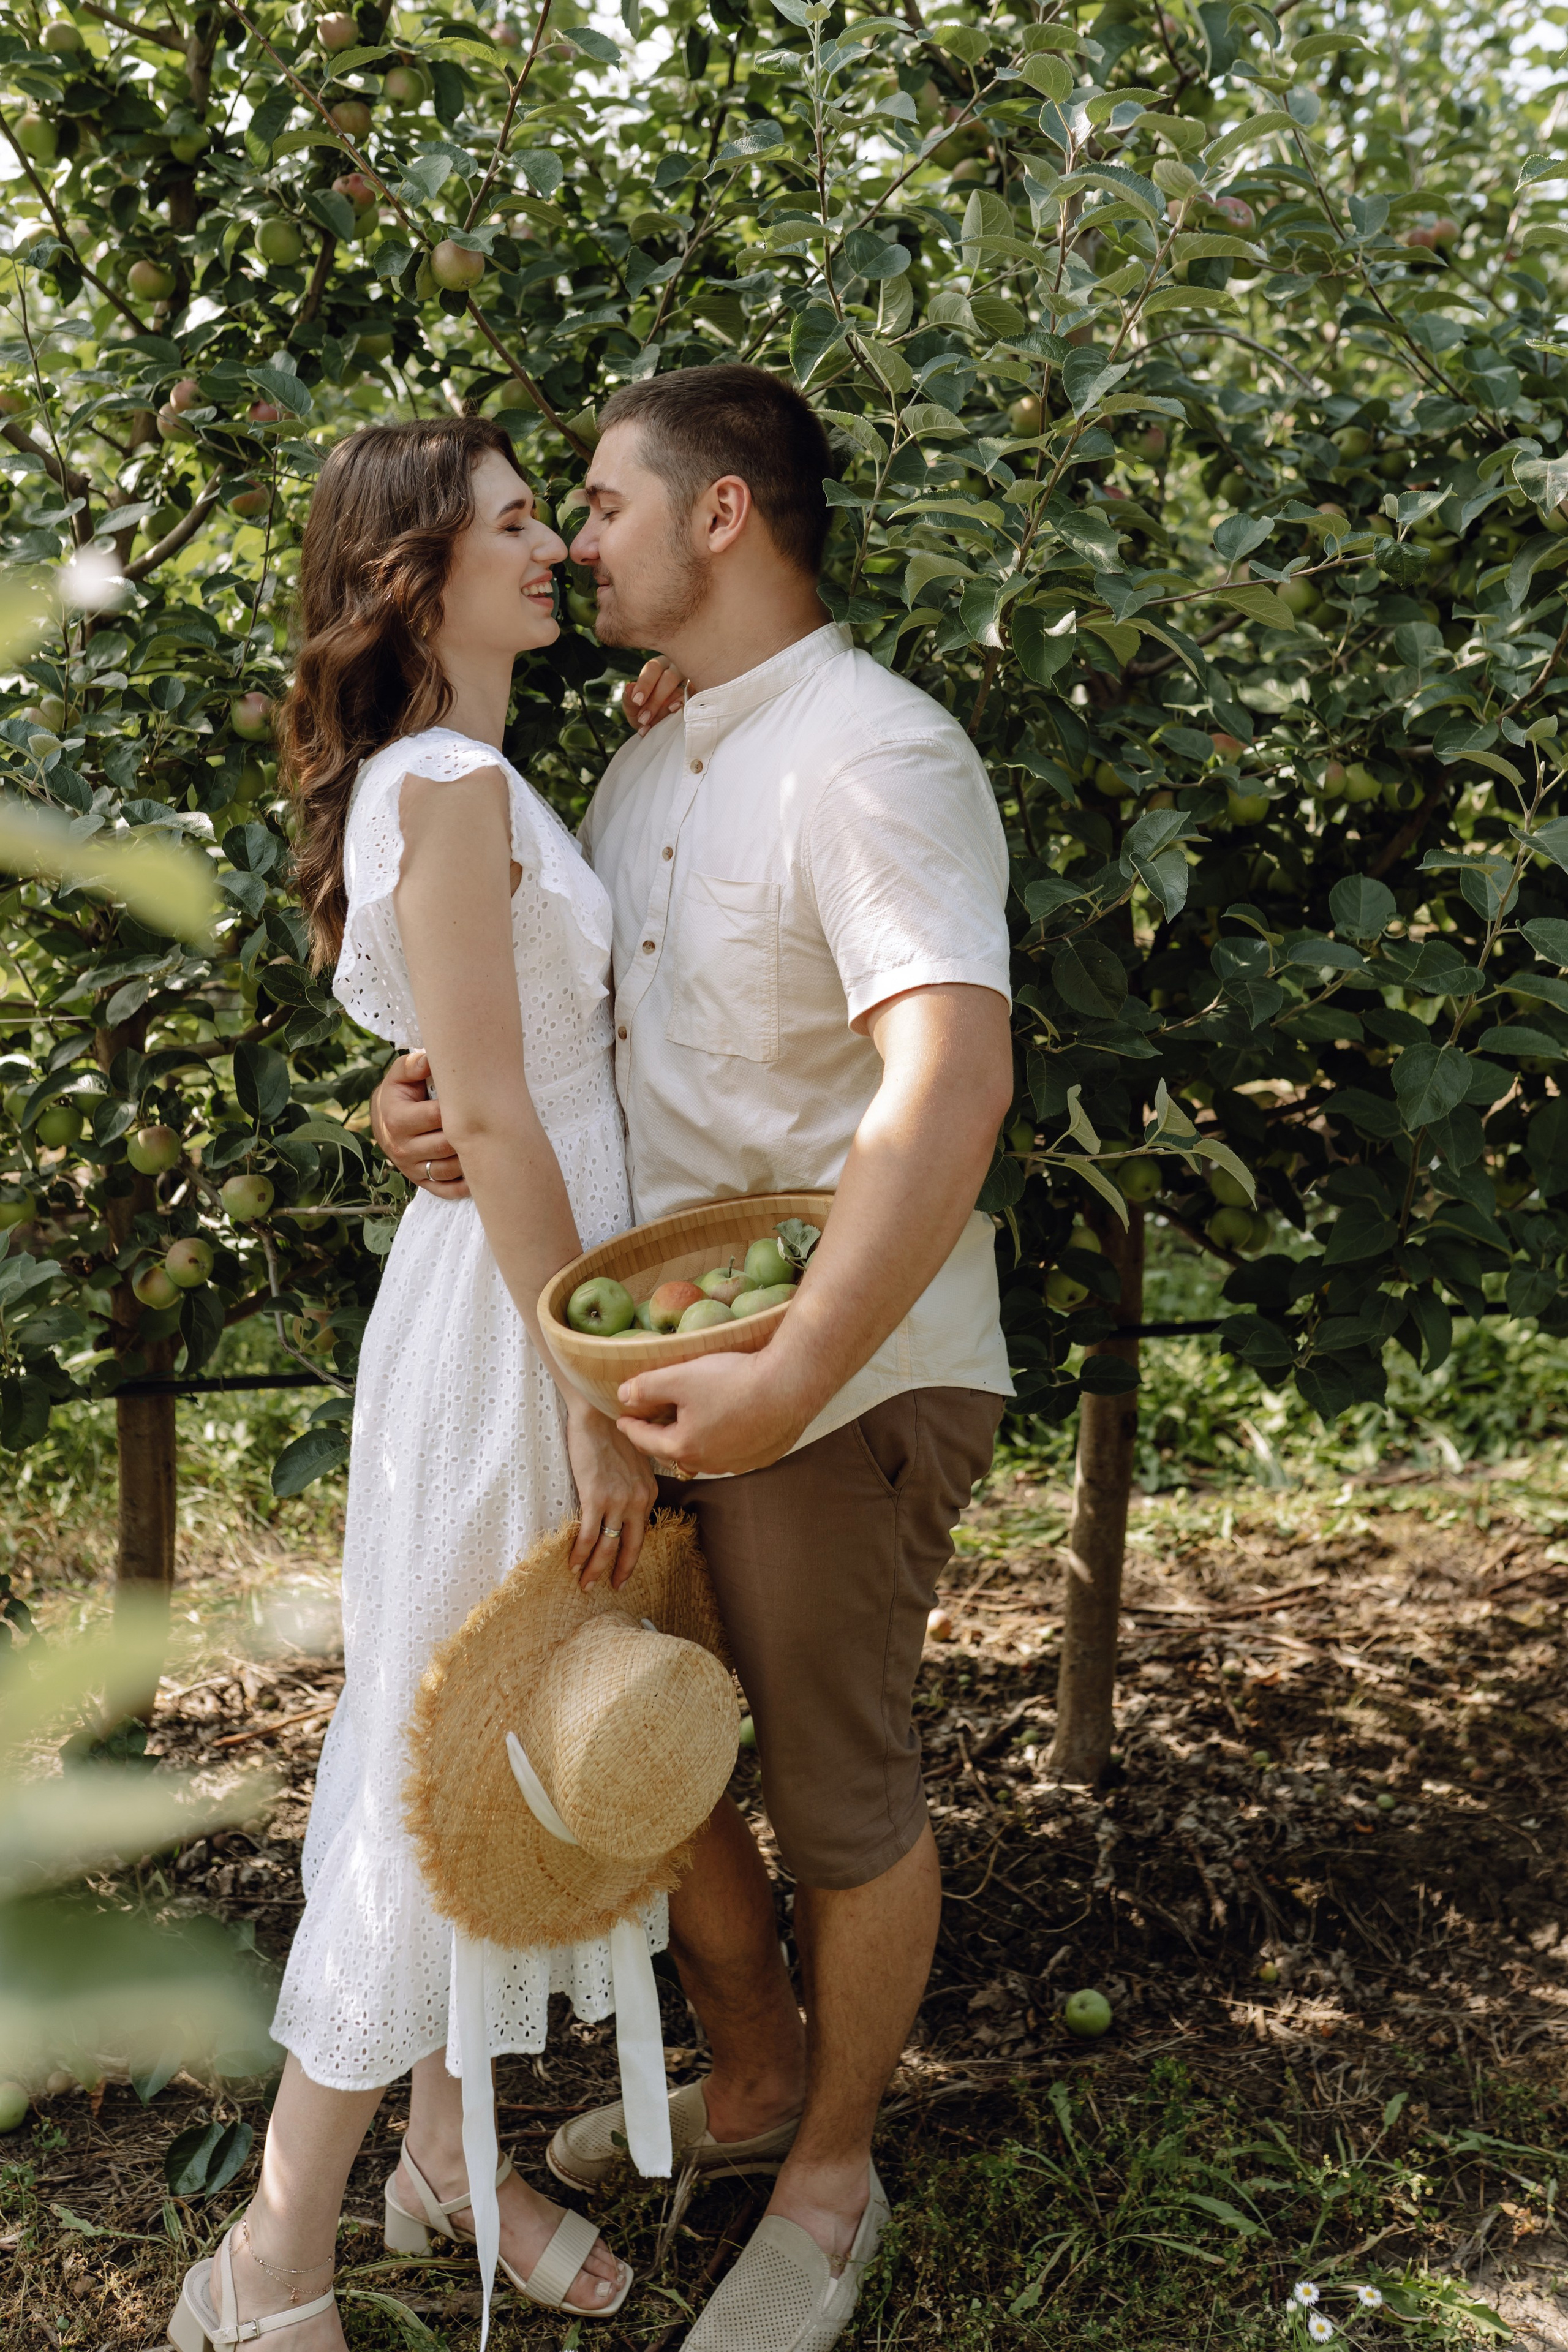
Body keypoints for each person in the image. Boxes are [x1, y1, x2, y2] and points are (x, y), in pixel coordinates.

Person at [372, 364, 1017, 2352]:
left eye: (603, 502)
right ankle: (746, 2081)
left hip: (844, 1365)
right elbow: (547, 1041)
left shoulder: (878, 758)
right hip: (656, 1358)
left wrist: (794, 1369)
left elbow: (951, 1074)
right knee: (642, 1739)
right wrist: (423, 1110)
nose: (575, 536)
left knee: (837, 1794)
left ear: (721, 516)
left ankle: (831, 2181)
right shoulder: (651, 754)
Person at [168, 415, 691, 2352]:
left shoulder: (470, 775)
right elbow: (486, 1099)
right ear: (422, 573)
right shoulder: (449, 781)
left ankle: (451, 2164)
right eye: (515, 523)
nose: (552, 543)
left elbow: (486, 1068)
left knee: (509, 1748)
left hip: (519, 1284)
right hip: (511, 1317)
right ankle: (270, 2257)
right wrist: (581, 1380)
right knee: (436, 1763)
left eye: (554, 515)